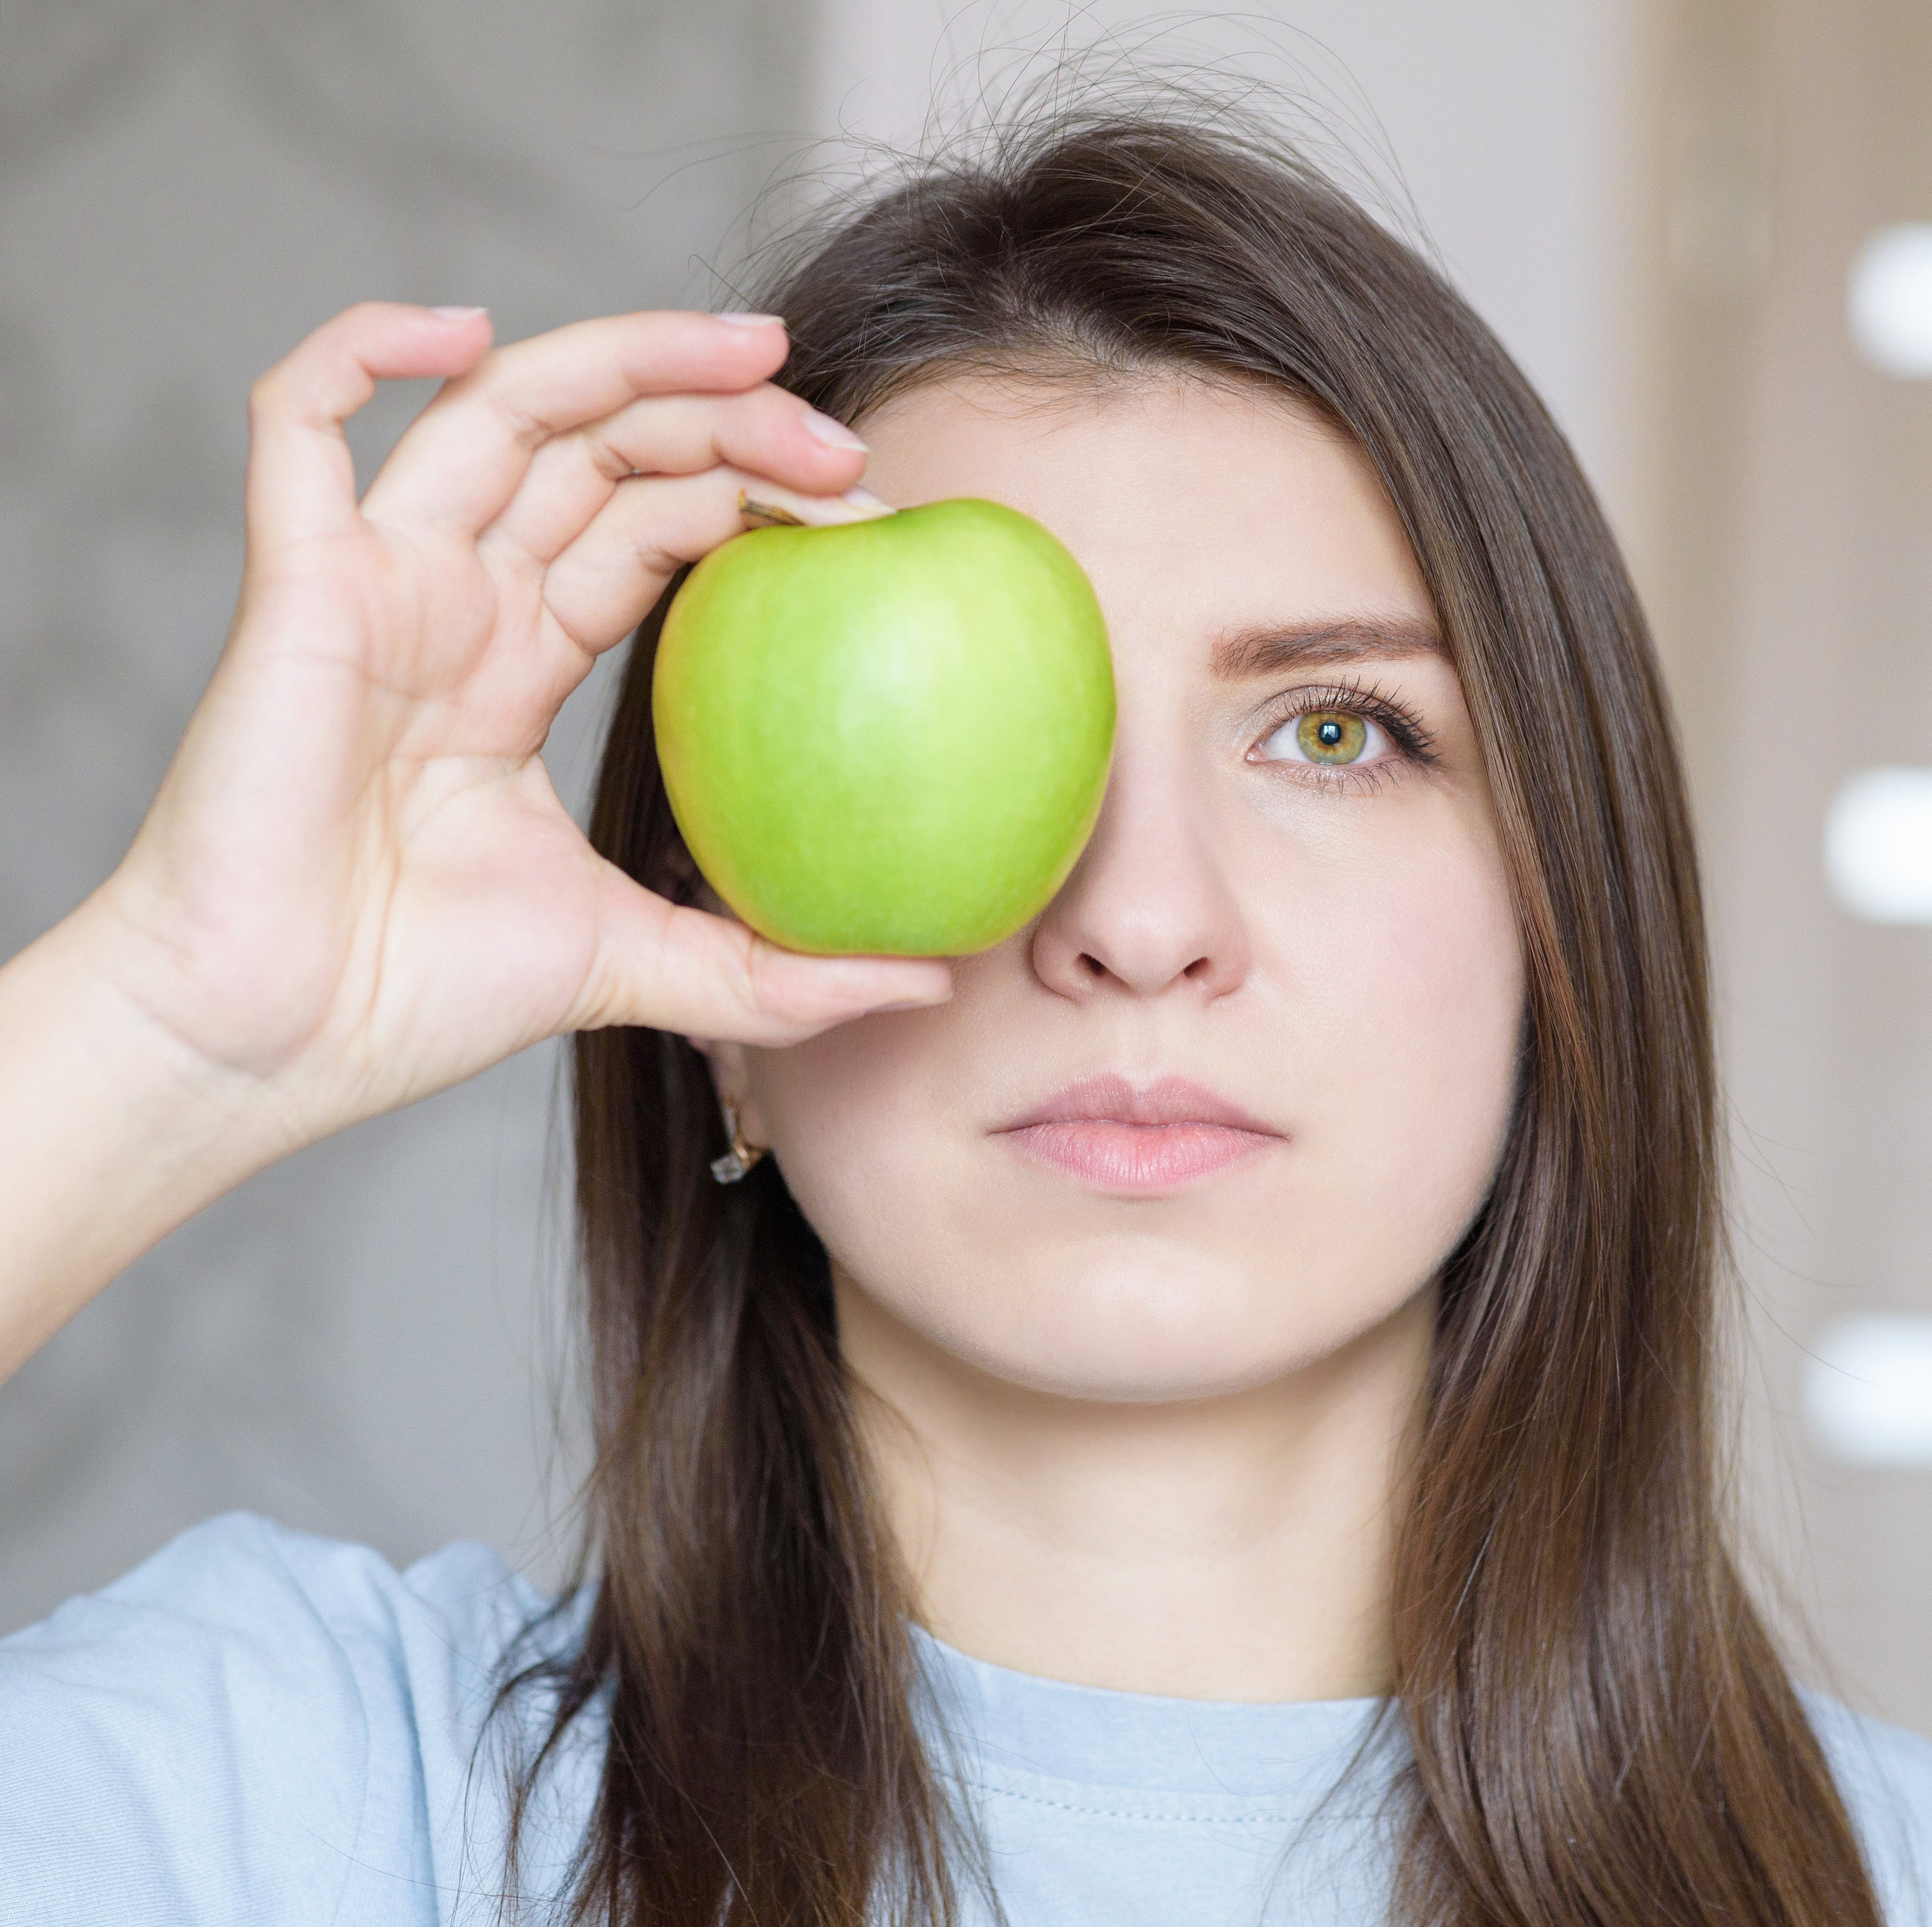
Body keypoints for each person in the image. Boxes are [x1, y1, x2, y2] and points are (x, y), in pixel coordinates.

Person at [0, 103, 1927, 1927]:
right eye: (986, 733)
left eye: (1333, 731)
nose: (1142, 921)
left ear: (1557, 925)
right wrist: (180, 1026)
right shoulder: (284, 1793)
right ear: (708, 969)